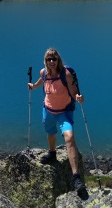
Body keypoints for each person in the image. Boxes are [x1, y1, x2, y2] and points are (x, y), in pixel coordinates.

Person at [29, 48, 86, 191]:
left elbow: (74, 93)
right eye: (48, 59)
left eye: (54, 58)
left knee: (69, 137)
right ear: (45, 61)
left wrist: (78, 98)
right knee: (51, 133)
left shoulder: (65, 74)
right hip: (48, 110)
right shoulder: (43, 73)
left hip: (64, 112)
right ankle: (52, 153)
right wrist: (33, 86)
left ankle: (76, 176)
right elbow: (41, 81)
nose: (51, 61)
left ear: (58, 60)